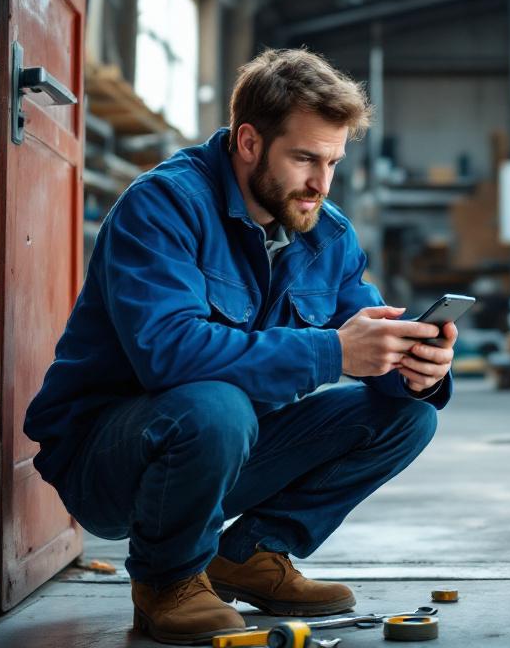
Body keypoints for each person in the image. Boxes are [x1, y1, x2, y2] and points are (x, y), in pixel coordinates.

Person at [24, 48, 456, 645]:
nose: (321, 184)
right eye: (304, 158)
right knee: (216, 405)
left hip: (230, 444)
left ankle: (250, 555)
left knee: (408, 417)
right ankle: (168, 581)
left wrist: (417, 367)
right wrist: (332, 352)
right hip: (111, 457)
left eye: (332, 162)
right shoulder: (164, 206)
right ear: (249, 142)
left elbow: (367, 338)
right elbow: (168, 353)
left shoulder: (325, 233)